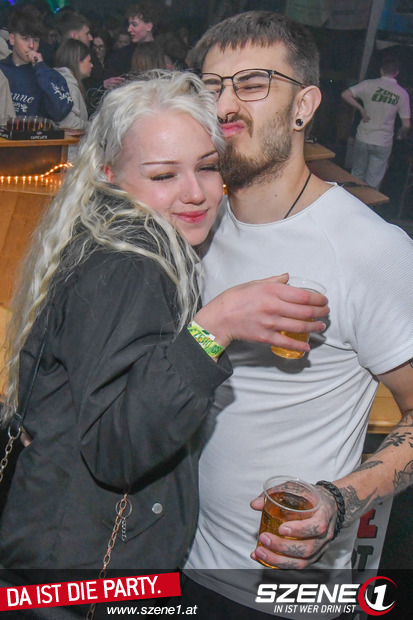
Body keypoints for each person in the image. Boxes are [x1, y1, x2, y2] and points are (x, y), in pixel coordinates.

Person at [0, 70, 328, 576]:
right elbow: (116, 451)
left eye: (207, 167)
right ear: (109, 173)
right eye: (163, 176)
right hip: (84, 581)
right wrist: (214, 327)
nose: (195, 193)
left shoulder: (103, 234)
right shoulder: (133, 264)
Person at [181, 11, 413, 617]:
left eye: (253, 83)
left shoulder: (368, 249)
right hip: (170, 556)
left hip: (277, 593)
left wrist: (340, 499)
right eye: (212, 86)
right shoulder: (193, 222)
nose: (225, 105)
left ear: (303, 106)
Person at [341, 56, 411, 189]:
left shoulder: (368, 84)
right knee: (373, 181)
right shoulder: (402, 94)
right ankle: (369, 201)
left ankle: (354, 198)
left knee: (357, 175)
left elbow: (345, 94)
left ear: (381, 70)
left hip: (363, 136)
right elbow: (406, 124)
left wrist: (361, 109)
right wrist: (400, 135)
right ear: (396, 73)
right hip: (383, 141)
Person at [0, 5, 73, 122]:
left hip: (36, 133)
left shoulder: (45, 73)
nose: (31, 45)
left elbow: (61, 110)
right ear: (12, 39)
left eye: (36, 40)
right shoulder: (2, 70)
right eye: (25, 39)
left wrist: (41, 68)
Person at [54, 39, 91, 131]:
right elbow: (68, 122)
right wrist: (92, 127)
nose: (91, 65)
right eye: (89, 61)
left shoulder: (58, 81)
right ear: (78, 61)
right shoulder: (69, 86)